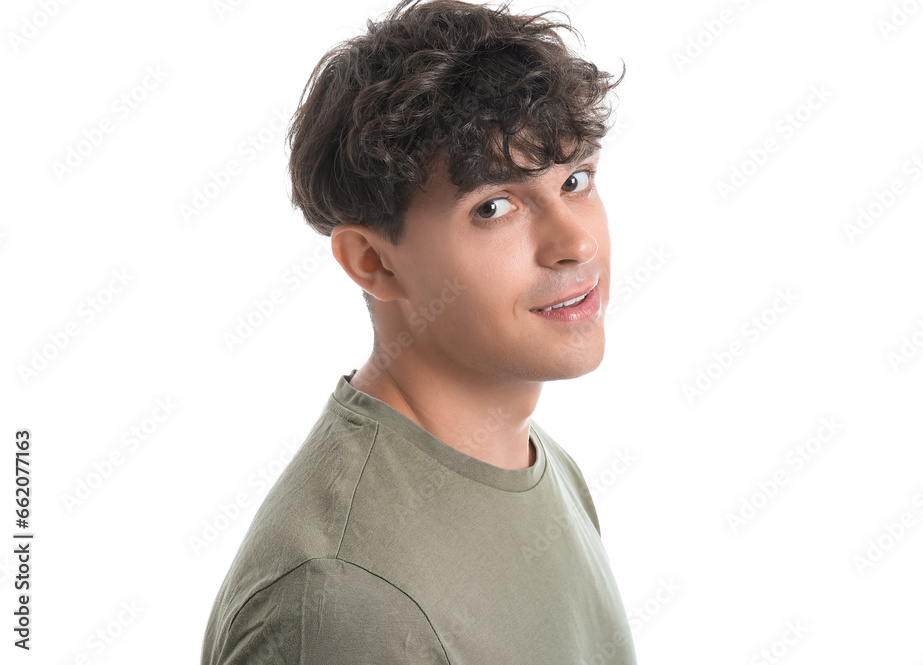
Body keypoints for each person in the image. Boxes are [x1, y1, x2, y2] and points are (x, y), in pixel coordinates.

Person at [200, 0, 634, 662]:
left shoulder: (542, 463)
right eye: (494, 206)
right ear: (373, 261)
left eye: (576, 179)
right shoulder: (344, 597)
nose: (574, 240)